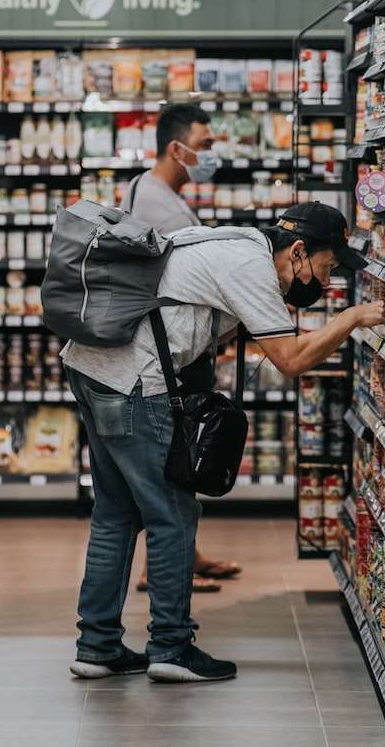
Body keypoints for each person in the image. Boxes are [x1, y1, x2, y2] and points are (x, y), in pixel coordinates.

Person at [65, 201, 385, 684]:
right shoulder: (250, 266)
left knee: (116, 512)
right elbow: (291, 359)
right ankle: (171, 647)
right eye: (327, 265)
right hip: (133, 382)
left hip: (92, 368)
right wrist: (351, 319)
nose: (326, 279)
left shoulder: (238, 240)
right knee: (172, 514)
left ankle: (97, 647)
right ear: (298, 252)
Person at [125, 103, 241, 594]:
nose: (212, 153)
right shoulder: (168, 208)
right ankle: (165, 568)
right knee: (178, 459)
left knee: (175, 461)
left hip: (156, 347)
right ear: (178, 148)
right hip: (171, 353)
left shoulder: (142, 187)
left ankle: (185, 556)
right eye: (207, 144)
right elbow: (194, 285)